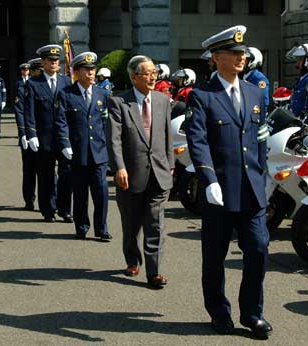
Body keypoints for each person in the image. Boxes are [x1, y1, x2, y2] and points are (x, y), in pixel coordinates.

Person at [184, 25, 272, 339]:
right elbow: (198, 140)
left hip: (252, 189)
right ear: (216, 57)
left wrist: (264, 174)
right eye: (234, 53)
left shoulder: (254, 91)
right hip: (219, 190)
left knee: (258, 249)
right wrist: (207, 178)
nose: (241, 57)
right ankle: (219, 312)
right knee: (214, 255)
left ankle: (252, 314)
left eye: (243, 53)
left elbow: (260, 138)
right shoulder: (202, 95)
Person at [108, 55, 174, 289]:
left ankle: (154, 272)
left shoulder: (163, 100)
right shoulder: (118, 102)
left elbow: (167, 135)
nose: (152, 76)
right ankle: (133, 259)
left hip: (159, 172)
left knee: (155, 224)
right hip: (130, 174)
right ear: (134, 76)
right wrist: (119, 167)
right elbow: (114, 139)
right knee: (131, 223)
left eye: (154, 72)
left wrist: (170, 163)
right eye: (147, 73)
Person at [55, 52, 112, 241]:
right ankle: (81, 226)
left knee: (101, 192)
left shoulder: (102, 94)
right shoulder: (66, 94)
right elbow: (61, 121)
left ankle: (101, 228)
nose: (91, 73)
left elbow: (107, 123)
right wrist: (65, 143)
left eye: (93, 69)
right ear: (76, 72)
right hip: (77, 152)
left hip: (99, 153)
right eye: (86, 70)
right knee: (80, 193)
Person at [24, 44, 73, 223]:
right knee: (46, 175)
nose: (54, 63)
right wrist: (31, 134)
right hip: (44, 137)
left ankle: (65, 209)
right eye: (50, 60)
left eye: (56, 60)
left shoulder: (66, 82)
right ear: (43, 63)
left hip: (64, 137)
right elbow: (28, 111)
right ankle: (48, 209)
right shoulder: (33, 83)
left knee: (67, 173)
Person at [14, 62, 38, 210]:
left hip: (43, 135)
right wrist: (23, 133)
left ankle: (48, 204)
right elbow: (19, 110)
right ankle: (29, 199)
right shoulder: (21, 86)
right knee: (29, 170)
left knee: (47, 171)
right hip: (28, 135)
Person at [243, 46, 270, 113]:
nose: (242, 62)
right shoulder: (241, 76)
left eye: (246, 60)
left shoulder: (260, 79)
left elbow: (263, 103)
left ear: (253, 61)